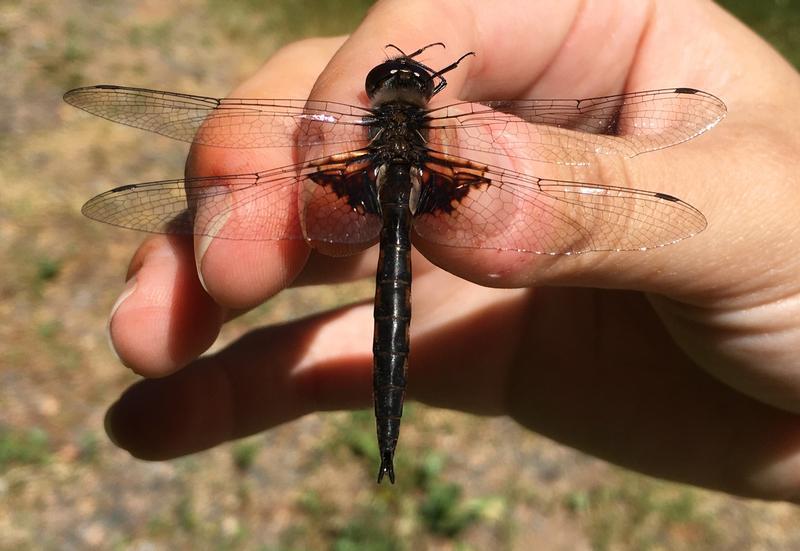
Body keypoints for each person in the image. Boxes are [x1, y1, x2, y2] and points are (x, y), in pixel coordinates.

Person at [103, 0, 800, 500]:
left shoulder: (366, 133)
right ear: (430, 101)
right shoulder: (438, 132)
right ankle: (387, 443)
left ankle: (383, 443)